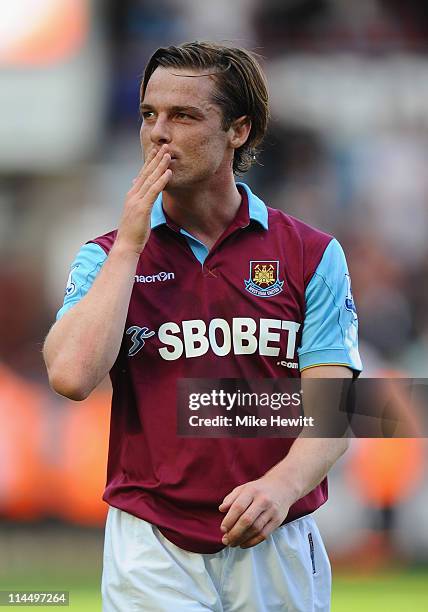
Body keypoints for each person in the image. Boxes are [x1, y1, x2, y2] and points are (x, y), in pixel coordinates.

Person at [43, 41, 362, 611]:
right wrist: (131, 246)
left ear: (238, 131)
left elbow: (334, 408)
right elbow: (70, 375)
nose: (158, 134)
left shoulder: (310, 254)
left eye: (184, 116)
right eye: (148, 115)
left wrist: (281, 487)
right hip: (151, 544)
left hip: (277, 534)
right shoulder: (107, 256)